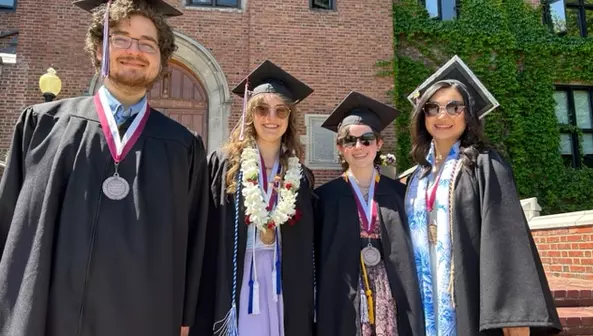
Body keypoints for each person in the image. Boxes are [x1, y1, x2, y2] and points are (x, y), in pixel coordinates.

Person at [0, 1, 209, 335]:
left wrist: (185, 318)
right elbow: (8, 221)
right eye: (122, 38)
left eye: (147, 44)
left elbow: (195, 241)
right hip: (50, 315)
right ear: (99, 48)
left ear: (161, 57)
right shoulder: (43, 126)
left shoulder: (183, 147)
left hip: (145, 317)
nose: (134, 51)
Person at [402, 55, 561, 336]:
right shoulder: (418, 175)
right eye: (433, 107)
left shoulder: (485, 165)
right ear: (422, 115)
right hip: (423, 298)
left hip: (466, 296)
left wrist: (515, 324)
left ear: (468, 113)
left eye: (454, 107)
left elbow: (507, 248)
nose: (443, 115)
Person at [191, 60, 315, 336]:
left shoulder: (300, 175)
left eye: (280, 110)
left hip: (281, 279)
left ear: (289, 118)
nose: (271, 118)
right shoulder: (224, 165)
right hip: (236, 276)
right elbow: (206, 231)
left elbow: (307, 242)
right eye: (262, 109)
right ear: (250, 114)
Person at [315, 91, 424, 336]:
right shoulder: (325, 198)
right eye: (349, 141)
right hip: (345, 297)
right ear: (340, 147)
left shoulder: (401, 194)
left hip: (392, 297)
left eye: (366, 139)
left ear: (379, 143)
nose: (359, 147)